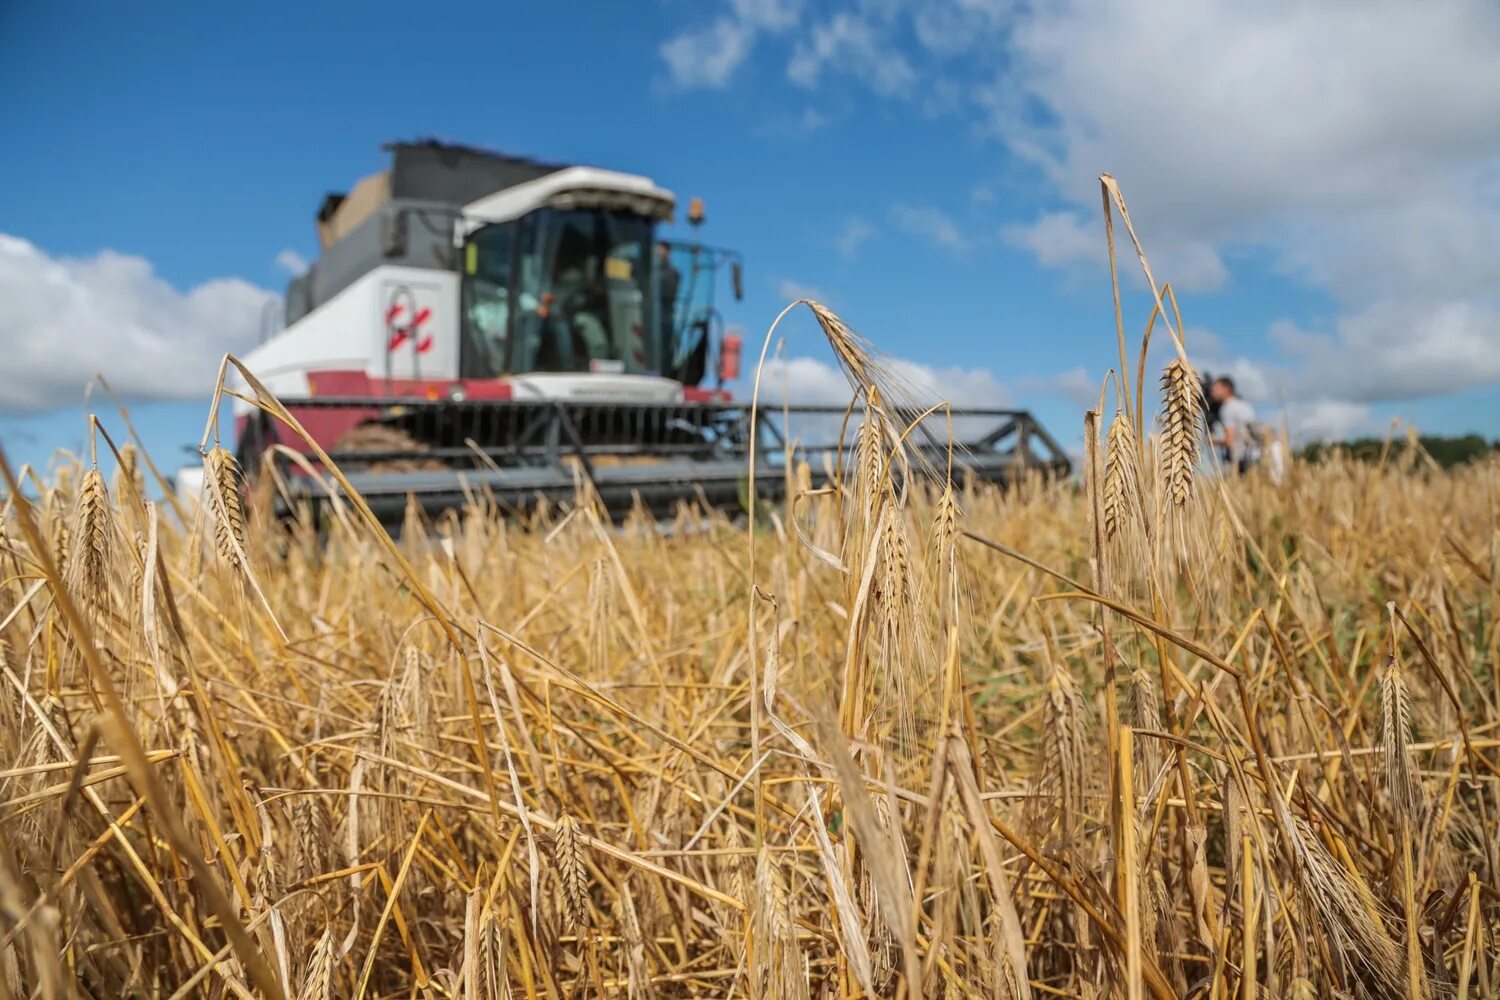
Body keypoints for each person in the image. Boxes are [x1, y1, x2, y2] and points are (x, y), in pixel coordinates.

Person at [1209, 376, 1258, 473]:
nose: (1212, 392)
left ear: (1226, 389)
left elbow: (1229, 441)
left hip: (1240, 460)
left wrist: (1212, 440)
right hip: (1254, 455)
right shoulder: (1245, 405)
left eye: (1215, 389)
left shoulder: (1227, 409)